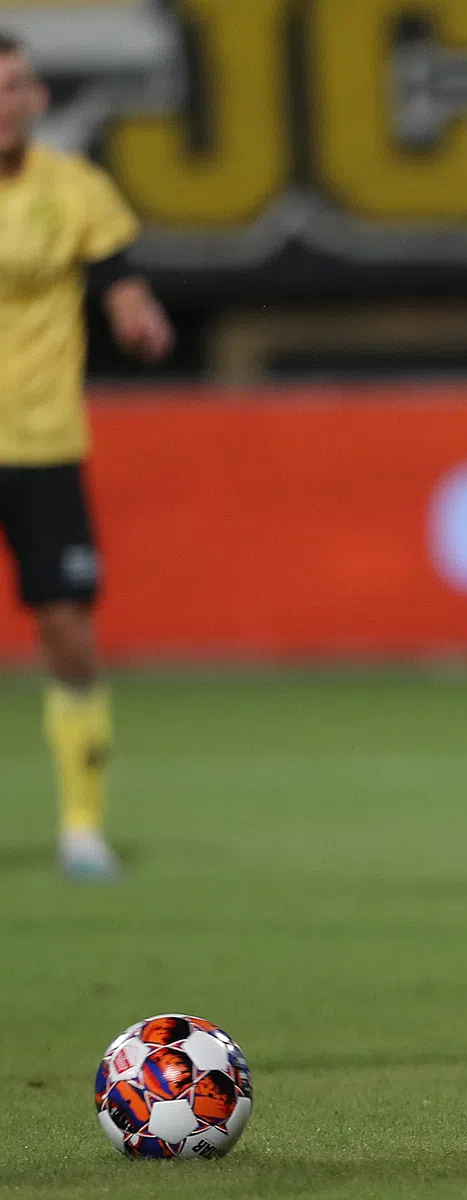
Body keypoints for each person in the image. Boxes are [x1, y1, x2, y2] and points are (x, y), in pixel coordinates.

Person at [0, 32, 172, 881]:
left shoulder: (76, 190)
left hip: (40, 443)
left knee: (68, 633)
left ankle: (80, 827)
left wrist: (138, 318)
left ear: (36, 98)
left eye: (19, 85)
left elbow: (121, 282)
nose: (9, 101)